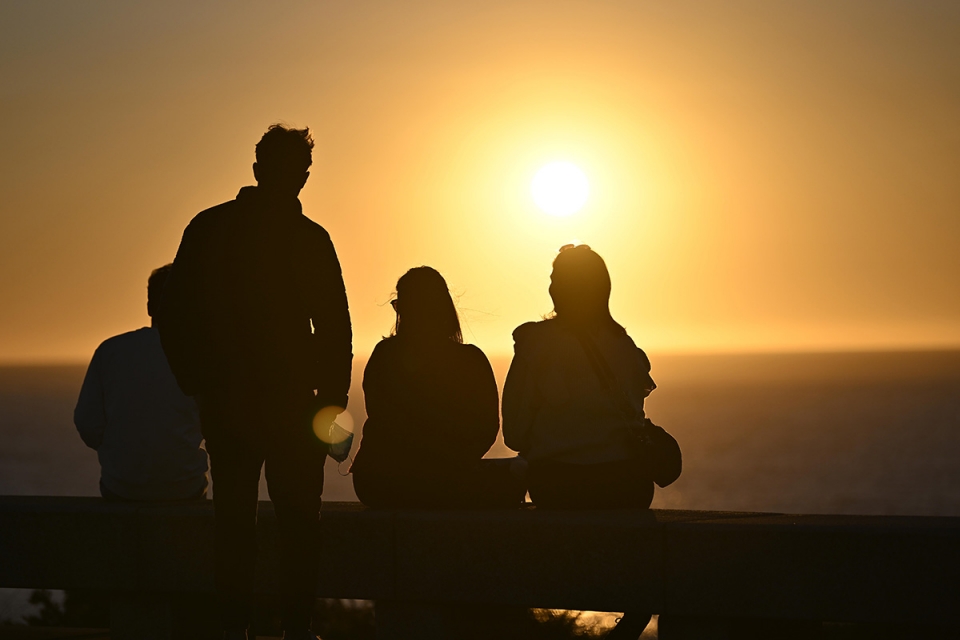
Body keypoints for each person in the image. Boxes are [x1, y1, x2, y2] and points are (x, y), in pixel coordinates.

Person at [157, 124, 352, 640]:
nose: (298, 180)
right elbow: (335, 330)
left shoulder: (209, 228)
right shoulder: (309, 239)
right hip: (289, 407)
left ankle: (234, 630)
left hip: (233, 405)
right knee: (297, 527)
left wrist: (197, 384)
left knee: (235, 526)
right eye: (296, 171)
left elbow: (174, 315)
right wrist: (332, 414)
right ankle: (295, 631)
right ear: (266, 169)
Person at [501, 244, 681, 640]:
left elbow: (513, 434)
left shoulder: (535, 344)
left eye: (554, 279)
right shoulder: (624, 346)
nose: (549, 287)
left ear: (562, 290)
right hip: (627, 487)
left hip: (559, 487)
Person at [350, 266, 524, 508]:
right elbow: (486, 429)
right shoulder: (471, 360)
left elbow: (380, 416)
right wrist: (452, 463)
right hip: (444, 479)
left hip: (379, 483)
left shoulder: (384, 355)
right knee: (513, 477)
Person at [74, 264, 208, 502]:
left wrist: (121, 452)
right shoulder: (201, 354)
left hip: (121, 486)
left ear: (149, 306)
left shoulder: (110, 350)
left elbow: (87, 423)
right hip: (184, 487)